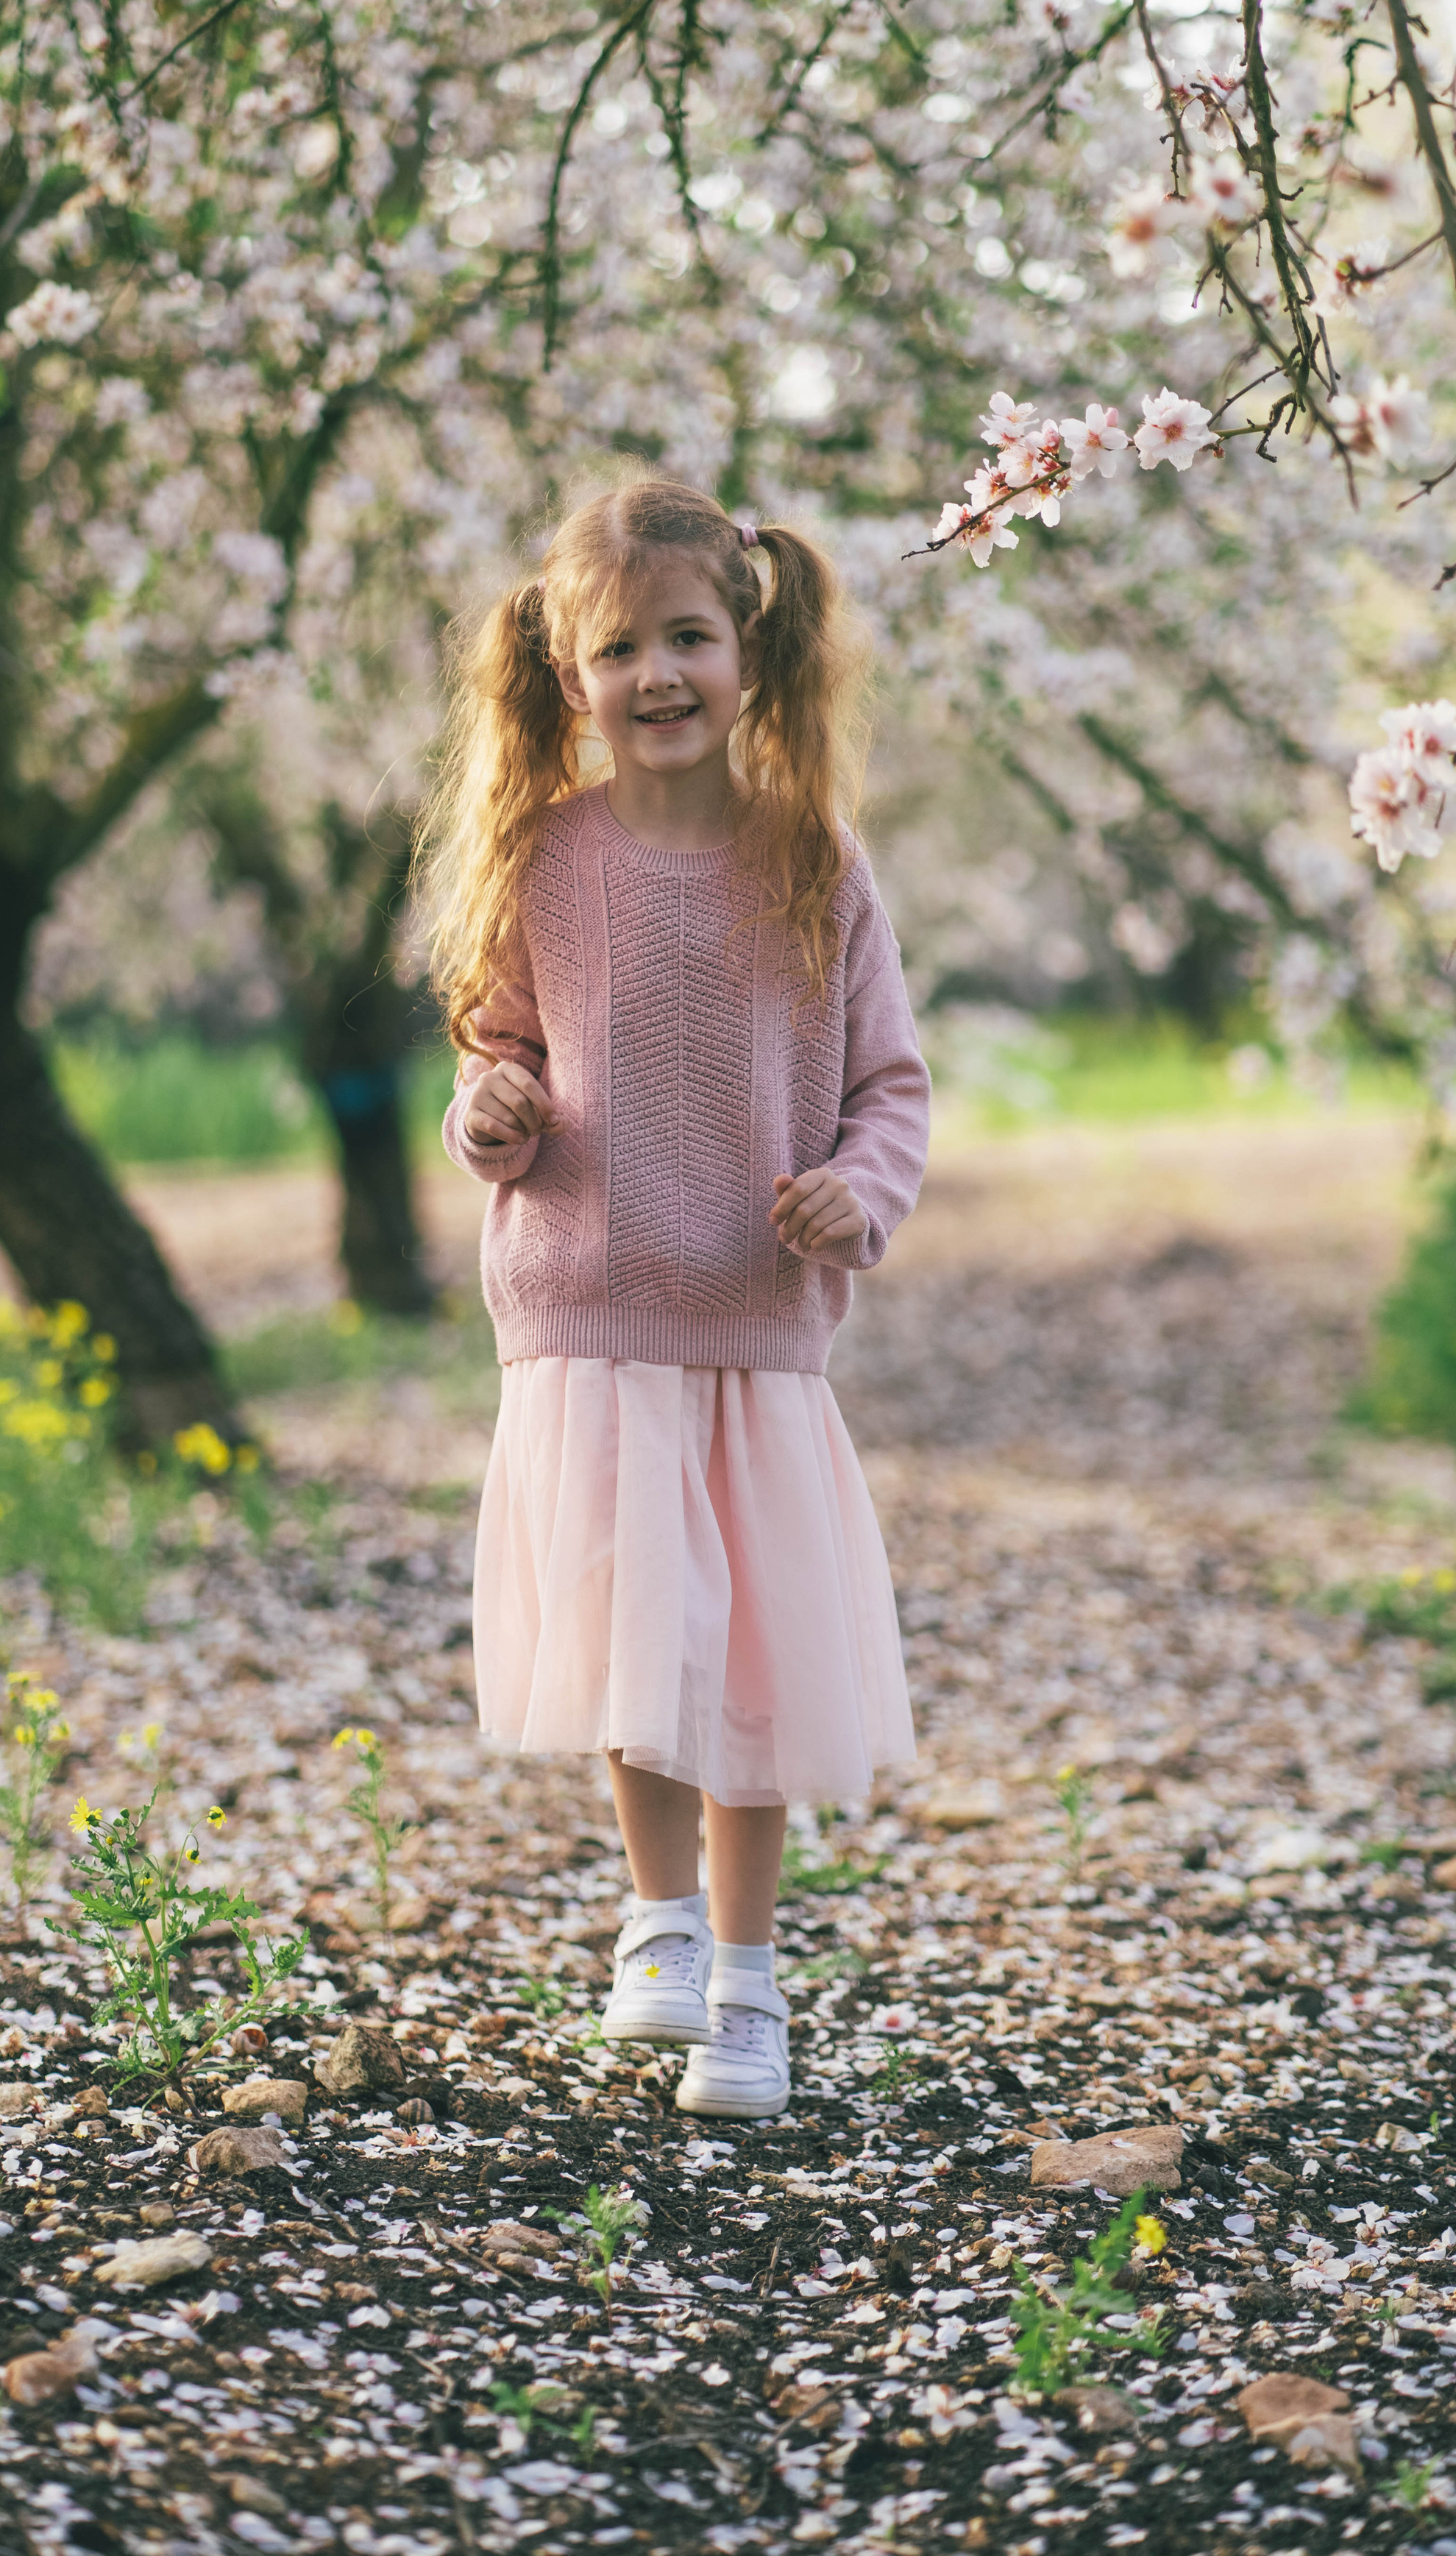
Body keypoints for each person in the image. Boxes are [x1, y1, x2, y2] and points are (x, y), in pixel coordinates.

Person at [423, 476, 929, 2120]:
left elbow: (888, 1087)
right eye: (619, 646)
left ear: (749, 652)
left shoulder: (813, 866)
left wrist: (857, 1194)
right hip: (584, 1306)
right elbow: (498, 1045)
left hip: (750, 1319)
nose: (658, 675)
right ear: (568, 676)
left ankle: (750, 1979)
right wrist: (486, 1111)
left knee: (751, 1652)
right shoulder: (544, 863)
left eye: (689, 639)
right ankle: (654, 1930)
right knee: (641, 1631)